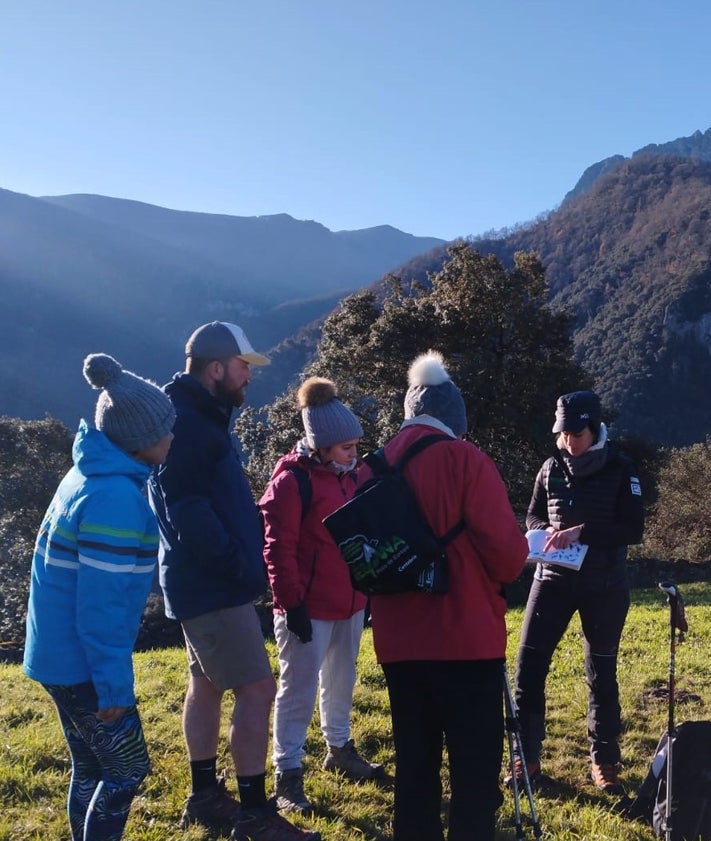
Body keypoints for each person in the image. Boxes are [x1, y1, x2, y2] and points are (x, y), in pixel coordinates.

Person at [147, 321, 319, 841]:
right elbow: (189, 510)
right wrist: (239, 568)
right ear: (216, 368)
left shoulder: (192, 415)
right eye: (244, 366)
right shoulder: (191, 425)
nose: (250, 375)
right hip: (213, 586)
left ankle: (204, 797)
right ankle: (252, 816)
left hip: (194, 583)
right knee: (258, 688)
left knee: (204, 685)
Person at [363, 351, 528, 841]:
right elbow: (506, 556)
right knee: (474, 772)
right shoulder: (465, 459)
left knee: (414, 768)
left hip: (398, 642)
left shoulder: (373, 468)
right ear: (456, 421)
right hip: (465, 637)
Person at [23, 353, 176, 841]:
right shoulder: (117, 499)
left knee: (90, 765)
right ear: (140, 441)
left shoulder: (87, 473)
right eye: (165, 428)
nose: (173, 435)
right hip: (84, 666)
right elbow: (101, 604)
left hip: (54, 655)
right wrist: (112, 686)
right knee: (127, 769)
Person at [259, 377, 383, 816]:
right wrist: (291, 604)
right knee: (297, 690)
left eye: (356, 446)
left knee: (342, 679)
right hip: (307, 608)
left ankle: (339, 747)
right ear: (322, 446)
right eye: (347, 447)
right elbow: (277, 548)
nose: (355, 453)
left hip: (350, 601)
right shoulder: (292, 484)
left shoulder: (352, 476)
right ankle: (287, 774)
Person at [510, 390, 644, 794]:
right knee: (528, 668)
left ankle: (605, 762)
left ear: (594, 427)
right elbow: (533, 512)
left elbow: (632, 529)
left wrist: (582, 532)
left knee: (601, 673)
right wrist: (545, 530)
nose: (568, 440)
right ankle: (526, 758)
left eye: (575, 433)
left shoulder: (622, 468)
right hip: (550, 580)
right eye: (562, 432)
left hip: (603, 585)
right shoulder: (550, 466)